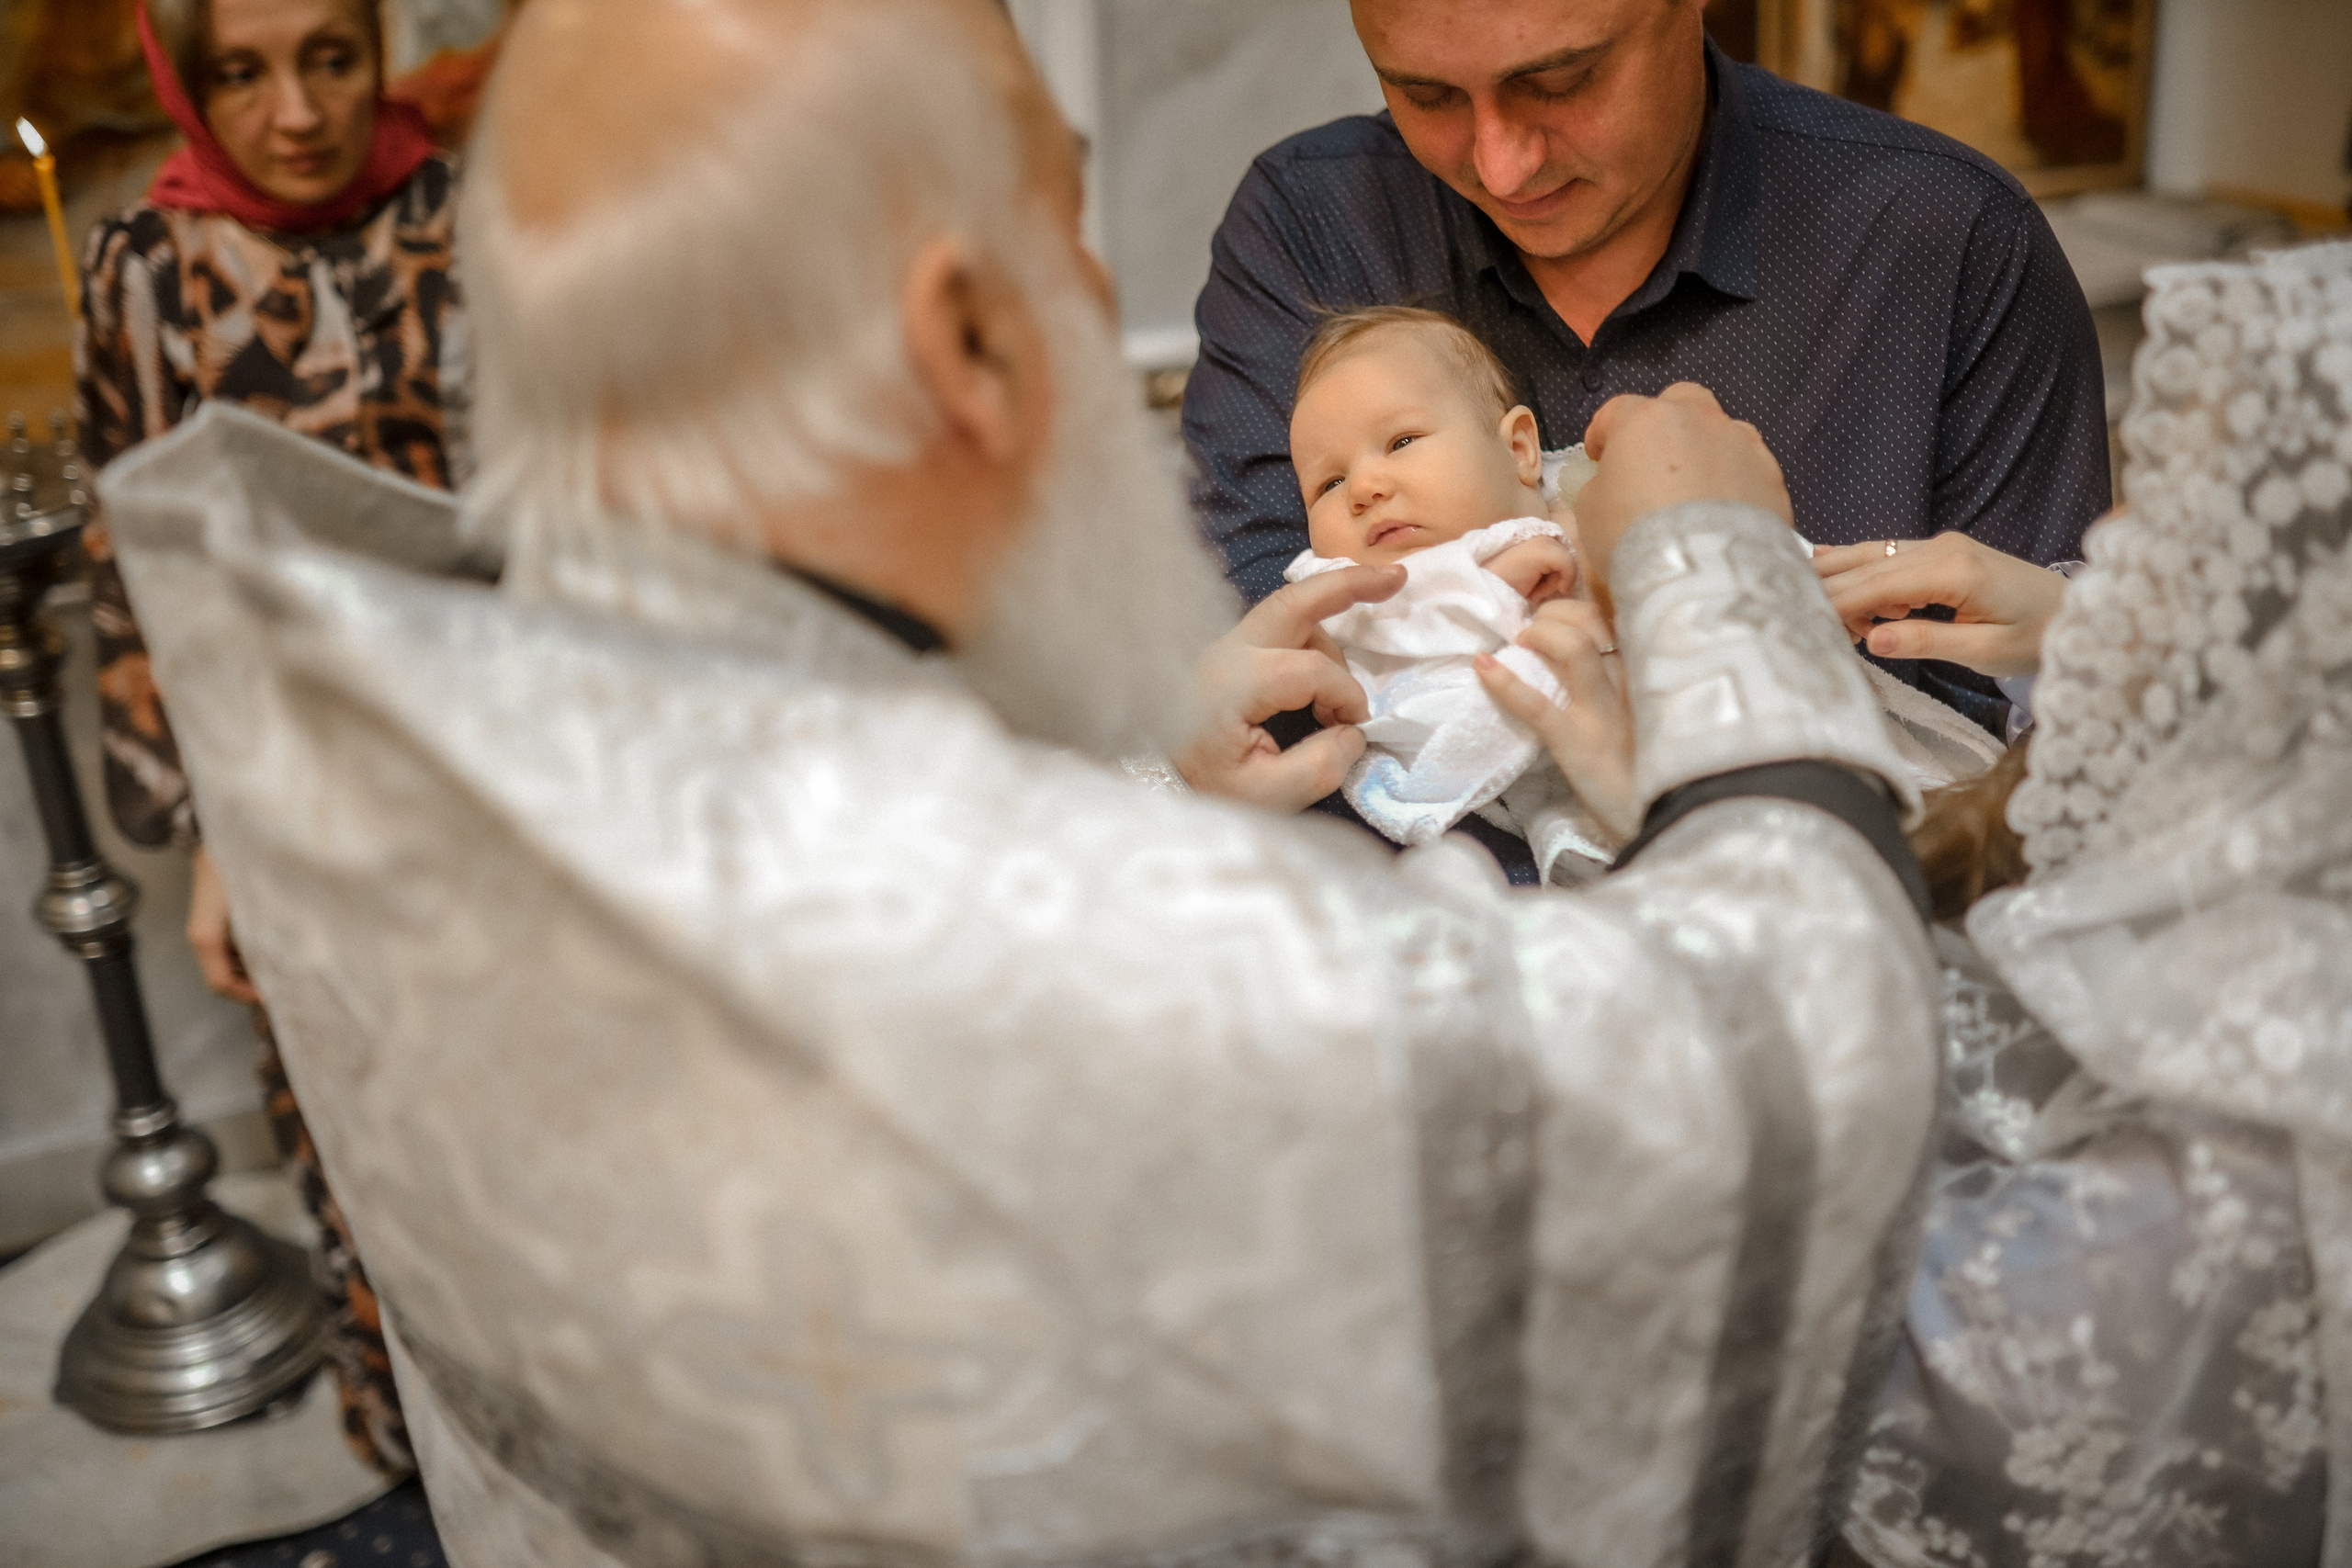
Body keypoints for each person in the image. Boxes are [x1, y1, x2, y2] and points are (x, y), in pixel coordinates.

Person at [95, 0, 1950, 1561]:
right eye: (1065, 231)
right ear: (964, 338)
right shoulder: (1092, 946)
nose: (1096, 293)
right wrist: (1715, 572)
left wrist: (1153, 770)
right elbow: (1787, 1085)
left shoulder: (445, 732)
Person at [1183, 0, 2111, 880]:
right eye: (1425, 96)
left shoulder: (1946, 244)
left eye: (1561, 79)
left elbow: (2030, 786)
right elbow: (1268, 670)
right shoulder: (1310, 227)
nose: (1502, 167)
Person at [1800, 241, 2352, 1565]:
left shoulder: (2257, 1131)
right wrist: (2090, 634)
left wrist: (1723, 646)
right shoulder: (2249, 869)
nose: (2103, 541)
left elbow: (1817, 1369)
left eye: (2174, 516)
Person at [73, 0, 465, 1477]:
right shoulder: (146, 271)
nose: (296, 113)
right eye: (241, 72)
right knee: (355, 1124)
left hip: (503, 754)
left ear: (378, 46)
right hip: (289, 789)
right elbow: (142, 577)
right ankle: (412, 1447)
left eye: (331, 57)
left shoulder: (469, 218)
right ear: (186, 80)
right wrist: (211, 843)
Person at [1281, 306, 1627, 861]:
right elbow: (1392, 628)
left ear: (1518, 450)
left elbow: (1695, 545)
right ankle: (1575, 850)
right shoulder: (1349, 586)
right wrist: (1490, 586)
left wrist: (1795, 576)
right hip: (1496, 757)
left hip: (1666, 736)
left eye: (1400, 442)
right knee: (1559, 823)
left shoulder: (1593, 498)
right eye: (1330, 481)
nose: (1363, 488)